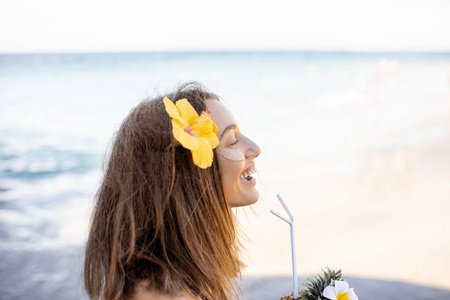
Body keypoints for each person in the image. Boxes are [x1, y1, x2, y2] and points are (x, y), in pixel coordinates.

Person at [84, 82, 261, 300]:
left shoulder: (184, 277)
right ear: (186, 176)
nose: (255, 148)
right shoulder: (166, 295)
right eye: (232, 142)